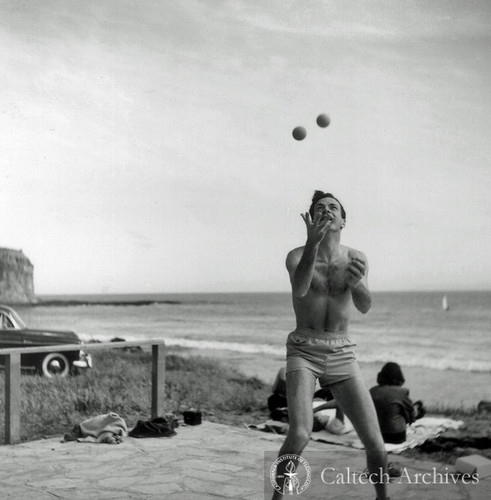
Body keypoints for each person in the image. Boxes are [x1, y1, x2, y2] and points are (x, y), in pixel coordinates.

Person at [271, 191, 390, 500]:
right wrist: (313, 242)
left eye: (333, 207)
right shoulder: (296, 255)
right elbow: (300, 289)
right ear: (311, 219)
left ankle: (383, 497)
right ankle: (276, 498)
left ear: (343, 220)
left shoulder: (357, 258)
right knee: (299, 434)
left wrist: (357, 284)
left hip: (342, 351)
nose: (327, 211)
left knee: (376, 442)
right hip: (303, 350)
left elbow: (364, 305)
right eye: (320, 208)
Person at [370, 362, 425, 444]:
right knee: (420, 409)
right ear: (399, 375)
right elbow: (411, 417)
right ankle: (417, 407)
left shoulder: (372, 391)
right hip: (396, 436)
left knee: (393, 408)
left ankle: (415, 406)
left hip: (375, 435)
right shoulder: (401, 392)